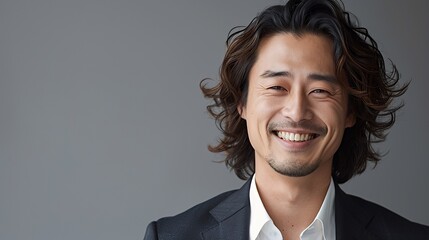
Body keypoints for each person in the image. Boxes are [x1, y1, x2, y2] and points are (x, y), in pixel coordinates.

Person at [144, 0, 429, 239]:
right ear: (241, 102)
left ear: (350, 111)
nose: (296, 111)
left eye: (320, 90)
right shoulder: (170, 236)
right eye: (277, 87)